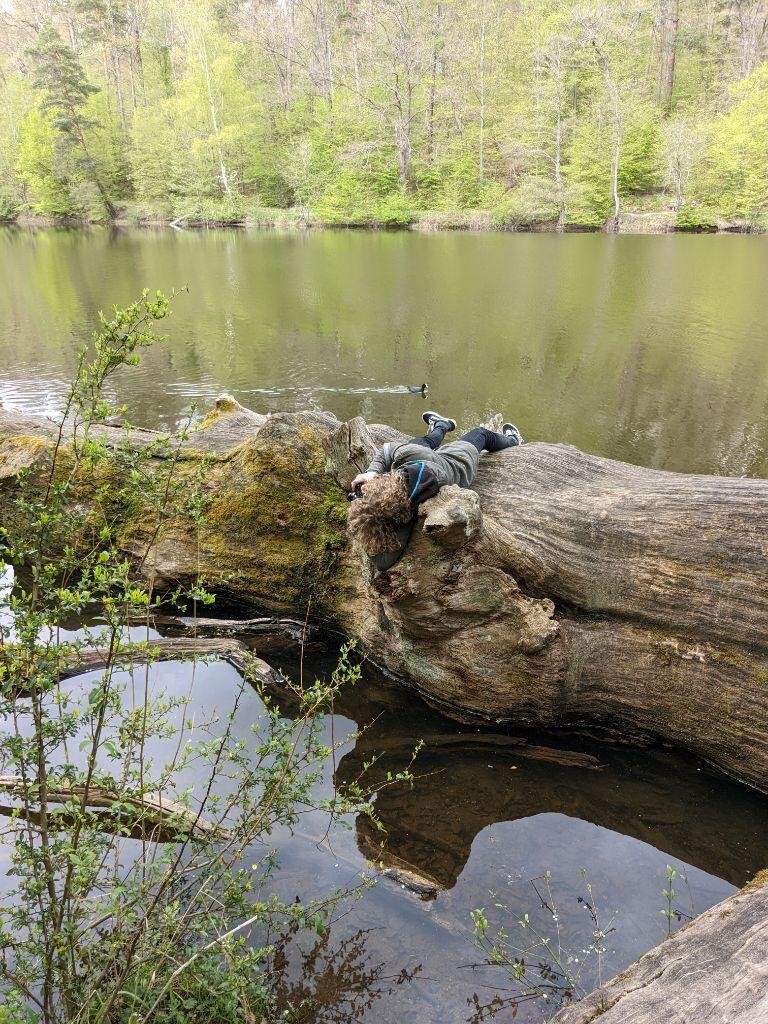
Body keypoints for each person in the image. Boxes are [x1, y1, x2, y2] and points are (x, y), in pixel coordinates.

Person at [347, 410, 523, 567]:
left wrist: (369, 522)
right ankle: (508, 438)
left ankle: (510, 440)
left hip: (449, 460)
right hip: (449, 458)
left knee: (429, 442)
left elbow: (382, 562)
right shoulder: (412, 461)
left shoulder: (407, 515)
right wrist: (372, 475)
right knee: (477, 434)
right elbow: (388, 451)